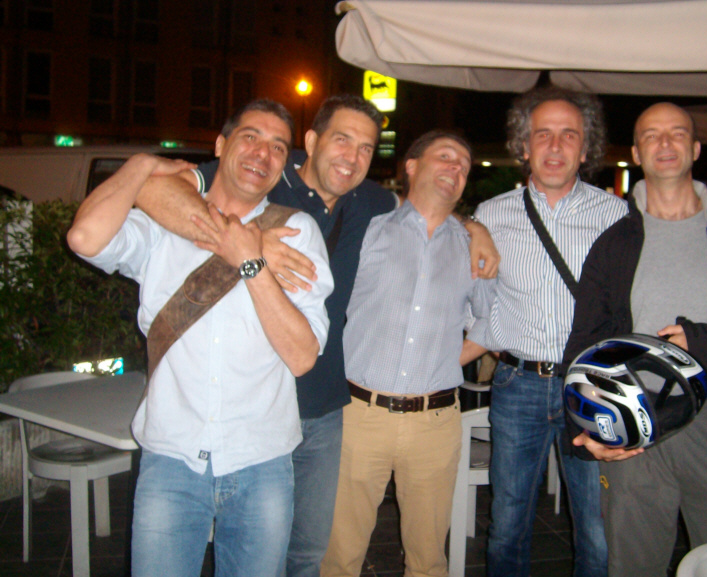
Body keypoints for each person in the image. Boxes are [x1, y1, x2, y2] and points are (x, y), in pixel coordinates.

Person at [134, 94, 499, 577]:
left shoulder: (371, 202)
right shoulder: (265, 173)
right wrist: (244, 238)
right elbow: (153, 191)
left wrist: (472, 226)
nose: (352, 156)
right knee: (248, 551)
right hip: (251, 410)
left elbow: (428, 208)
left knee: (309, 553)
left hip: (326, 409)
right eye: (342, 140)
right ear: (310, 141)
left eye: (366, 148)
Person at [67, 99, 334, 576]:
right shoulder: (163, 224)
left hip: (260, 459)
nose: (263, 153)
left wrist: (249, 262)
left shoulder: (296, 231)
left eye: (278, 146)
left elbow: (302, 357)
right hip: (171, 455)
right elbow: (84, 238)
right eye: (250, 137)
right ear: (220, 145)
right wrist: (141, 165)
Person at [563, 102, 707, 577]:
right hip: (635, 424)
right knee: (633, 567)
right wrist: (583, 432)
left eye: (677, 133)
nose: (665, 143)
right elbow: (582, 346)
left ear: (696, 148)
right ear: (637, 153)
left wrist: (704, 344)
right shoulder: (613, 245)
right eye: (651, 135)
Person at [462, 85, 627, 577]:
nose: (555, 146)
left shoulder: (617, 216)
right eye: (543, 134)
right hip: (518, 385)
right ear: (524, 145)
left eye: (568, 135)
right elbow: (476, 302)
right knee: (507, 522)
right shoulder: (492, 215)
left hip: (593, 385)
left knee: (597, 527)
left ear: (585, 148)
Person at [320, 130, 495, 577]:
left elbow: (493, 321)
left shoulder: (474, 247)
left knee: (428, 560)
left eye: (464, 165)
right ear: (412, 167)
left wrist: (448, 359)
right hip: (359, 415)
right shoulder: (370, 230)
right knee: (338, 555)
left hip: (435, 423)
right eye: (445, 157)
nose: (456, 168)